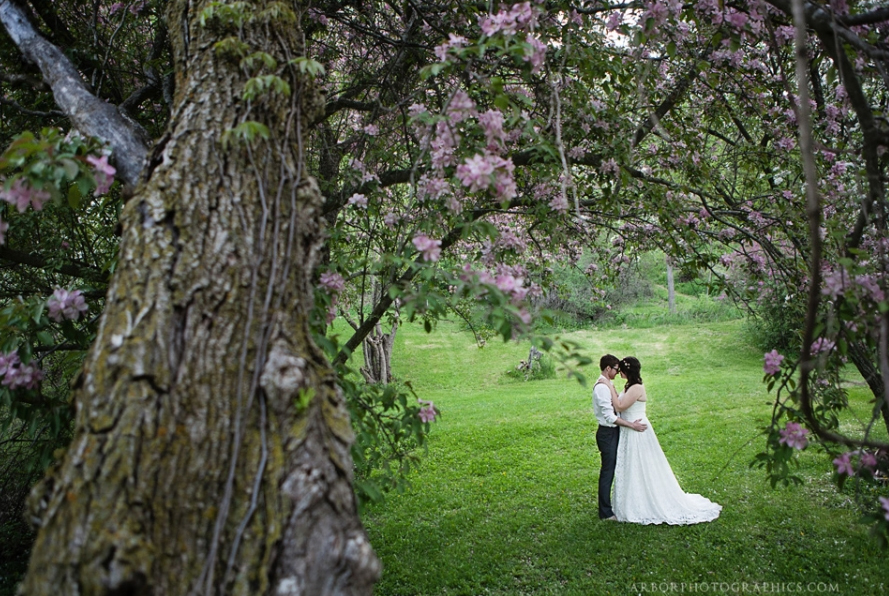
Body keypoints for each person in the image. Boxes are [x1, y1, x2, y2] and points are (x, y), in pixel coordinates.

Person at [609, 356, 722, 525]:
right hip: (630, 428)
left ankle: (645, 501)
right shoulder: (630, 386)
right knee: (631, 465)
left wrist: (608, 386)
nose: (618, 373)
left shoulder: (636, 388)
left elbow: (619, 406)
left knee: (641, 465)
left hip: (637, 430)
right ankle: (630, 499)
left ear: (627, 371)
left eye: (621, 370)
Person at [592, 354, 647, 521]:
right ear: (608, 369)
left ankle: (625, 503)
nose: (618, 372)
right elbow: (610, 416)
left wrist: (611, 387)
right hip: (608, 432)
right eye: (616, 369)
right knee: (608, 471)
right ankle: (605, 512)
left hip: (619, 432)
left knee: (624, 467)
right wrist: (632, 425)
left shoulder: (610, 384)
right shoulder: (603, 387)